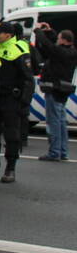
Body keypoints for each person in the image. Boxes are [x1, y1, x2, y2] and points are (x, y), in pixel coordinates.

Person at [0, 23, 34, 183]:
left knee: (11, 136)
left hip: (11, 100)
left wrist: (23, 103)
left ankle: (10, 168)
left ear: (7, 35)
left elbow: (28, 80)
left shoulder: (19, 50)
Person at [33, 23, 77, 161]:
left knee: (54, 122)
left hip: (54, 90)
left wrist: (38, 30)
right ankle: (62, 151)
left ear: (63, 40)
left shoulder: (60, 52)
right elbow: (54, 44)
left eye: (59, 38)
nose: (57, 39)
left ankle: (54, 152)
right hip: (63, 90)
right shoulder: (72, 51)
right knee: (61, 122)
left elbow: (47, 45)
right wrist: (50, 31)